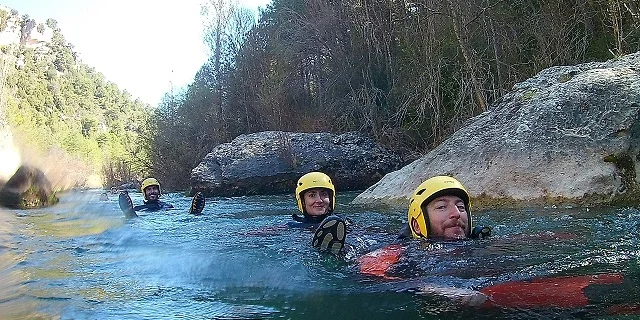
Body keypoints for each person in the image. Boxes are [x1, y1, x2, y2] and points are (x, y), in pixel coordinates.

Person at [290, 171, 347, 255]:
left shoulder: (344, 222)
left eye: (324, 194)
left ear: (330, 199)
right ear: (303, 202)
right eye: (312, 195)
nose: (319, 200)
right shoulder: (293, 226)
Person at [118, 177, 205, 218]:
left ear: (158, 191)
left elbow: (177, 215)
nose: (152, 191)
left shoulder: (168, 206)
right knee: (135, 219)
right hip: (144, 218)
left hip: (164, 217)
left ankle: (193, 213)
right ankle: (130, 215)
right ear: (144, 192)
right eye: (149, 189)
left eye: (154, 189)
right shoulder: (138, 208)